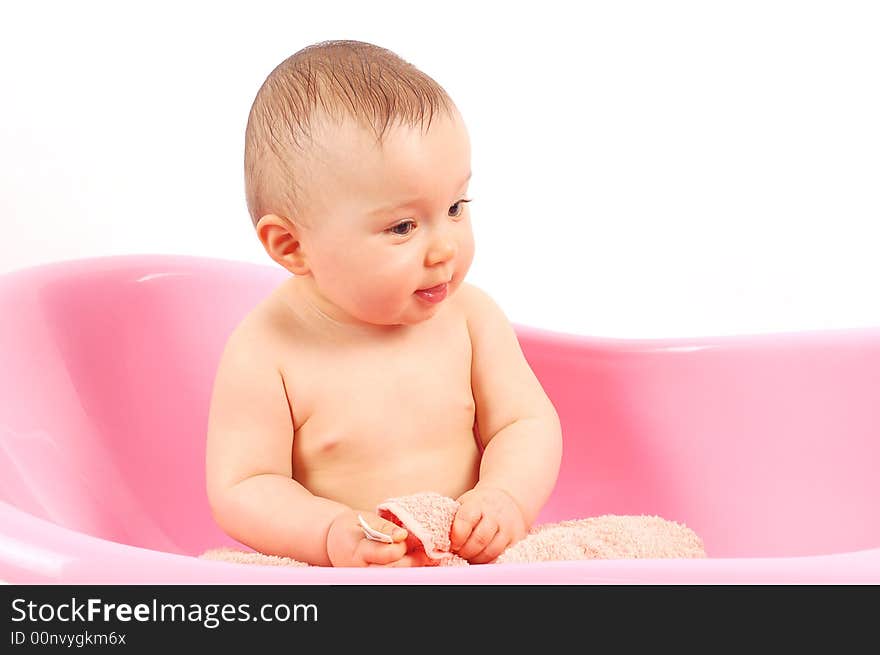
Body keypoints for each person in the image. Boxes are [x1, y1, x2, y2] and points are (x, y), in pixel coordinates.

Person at [206, 40, 562, 567]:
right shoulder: (266, 353)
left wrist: (504, 498)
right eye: (402, 226)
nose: (445, 248)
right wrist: (328, 533)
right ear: (292, 245)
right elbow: (245, 486)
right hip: (346, 572)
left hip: (473, 562)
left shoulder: (471, 318)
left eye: (455, 207)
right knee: (220, 586)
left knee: (609, 559)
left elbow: (525, 423)